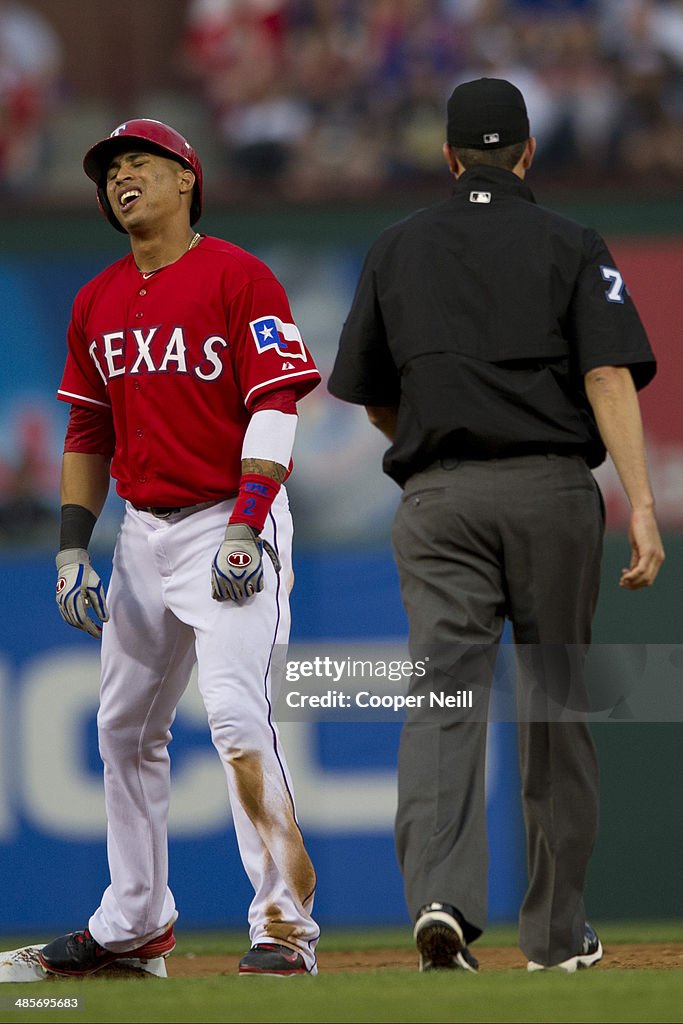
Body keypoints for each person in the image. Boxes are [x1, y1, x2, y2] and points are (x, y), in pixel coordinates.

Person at [328, 78, 664, 972]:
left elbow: (367, 398)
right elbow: (605, 380)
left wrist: (437, 454)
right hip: (551, 493)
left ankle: (440, 896)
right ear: (525, 153)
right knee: (557, 709)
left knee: (443, 698)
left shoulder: (396, 248)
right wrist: (640, 507)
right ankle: (554, 939)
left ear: (446, 156)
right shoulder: (570, 241)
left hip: (440, 500)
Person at [40, 119, 321, 978]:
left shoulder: (238, 275)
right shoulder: (96, 299)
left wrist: (248, 519)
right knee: (122, 729)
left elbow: (277, 402)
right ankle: (133, 926)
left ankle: (283, 929)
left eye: (140, 164)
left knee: (237, 715)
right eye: (111, 170)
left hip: (227, 518)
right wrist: (70, 549)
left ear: (186, 179)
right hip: (142, 532)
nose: (122, 179)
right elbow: (87, 427)